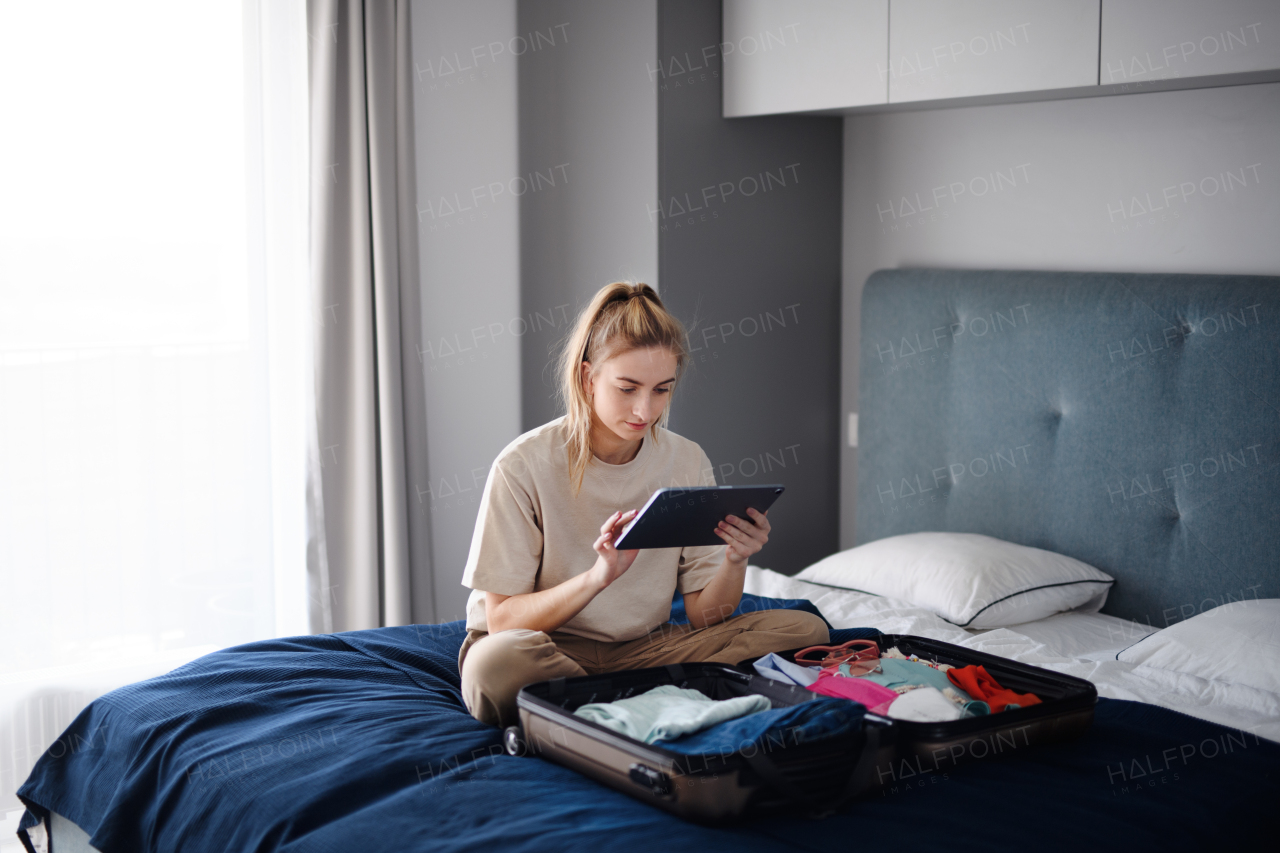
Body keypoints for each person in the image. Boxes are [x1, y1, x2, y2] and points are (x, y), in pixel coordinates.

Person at [457, 281, 829, 728]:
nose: (644, 410)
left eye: (661, 390)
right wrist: (599, 577)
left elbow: (703, 615)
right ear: (587, 377)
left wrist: (735, 559)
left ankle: (590, 704)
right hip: (546, 647)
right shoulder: (522, 465)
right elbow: (501, 620)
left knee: (806, 631)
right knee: (492, 667)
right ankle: (642, 698)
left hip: (641, 650)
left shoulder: (686, 459)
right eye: (627, 388)